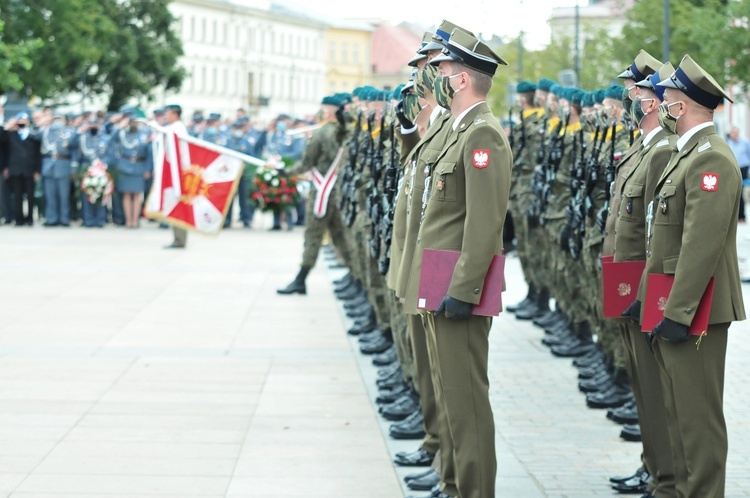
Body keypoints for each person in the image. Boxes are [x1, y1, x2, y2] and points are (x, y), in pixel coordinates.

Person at [405, 28, 510, 498]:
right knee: (451, 398)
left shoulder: (483, 133)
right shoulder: (459, 131)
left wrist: (464, 290)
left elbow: (485, 224)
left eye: (444, 73)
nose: (437, 80)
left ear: (463, 79)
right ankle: (453, 484)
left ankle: (473, 490)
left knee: (466, 402)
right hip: (438, 277)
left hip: (457, 286)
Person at [635, 54, 745, 497]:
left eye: (669, 100)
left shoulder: (711, 158)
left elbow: (700, 247)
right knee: (678, 417)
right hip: (674, 301)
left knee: (697, 423)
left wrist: (678, 312)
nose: (662, 106)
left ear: (682, 106)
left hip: (696, 308)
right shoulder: (688, 156)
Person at [276, 95, 351, 294]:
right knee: (342, 238)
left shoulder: (322, 133)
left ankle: (301, 278)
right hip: (341, 192)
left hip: (322, 194)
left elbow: (307, 163)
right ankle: (355, 279)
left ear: (328, 110)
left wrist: (287, 172)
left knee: (313, 236)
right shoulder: (349, 131)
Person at [107, 115, 153, 228]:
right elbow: (111, 141)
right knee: (126, 195)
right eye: (131, 123)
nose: (133, 125)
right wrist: (119, 127)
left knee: (137, 195)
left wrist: (148, 169)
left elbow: (149, 154)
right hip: (124, 166)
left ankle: (135, 221)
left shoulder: (144, 135)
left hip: (139, 167)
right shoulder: (122, 134)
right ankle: (128, 221)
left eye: (135, 123)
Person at [0, 113, 42, 226]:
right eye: (20, 120)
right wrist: (9, 125)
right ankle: (19, 219)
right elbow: (2, 141)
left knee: (30, 195)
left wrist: (37, 170)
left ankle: (30, 219)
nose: (22, 123)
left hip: (29, 169)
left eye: (24, 120)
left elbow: (38, 154)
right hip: (15, 169)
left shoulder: (33, 135)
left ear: (28, 121)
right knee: (17, 196)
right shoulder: (11, 134)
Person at [41, 115, 79, 227]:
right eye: (55, 119)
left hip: (63, 165)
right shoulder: (46, 132)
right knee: (50, 195)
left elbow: (74, 150)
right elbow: (33, 134)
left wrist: (73, 168)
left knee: (64, 195)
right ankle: (51, 218)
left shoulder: (71, 133)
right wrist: (43, 122)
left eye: (60, 120)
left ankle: (64, 219)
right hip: (49, 165)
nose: (57, 122)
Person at [163, 104, 190, 249]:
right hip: (173, 172)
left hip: (178, 174)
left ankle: (180, 239)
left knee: (178, 205)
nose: (165, 116)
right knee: (173, 204)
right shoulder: (173, 128)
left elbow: (181, 154)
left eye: (167, 113)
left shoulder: (178, 129)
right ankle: (177, 238)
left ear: (175, 113)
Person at [727, 126, 750, 221]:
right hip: (733, 168)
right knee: (733, 192)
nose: (733, 135)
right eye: (732, 133)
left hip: (743, 168)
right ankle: (734, 216)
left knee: (740, 192)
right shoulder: (728, 142)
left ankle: (742, 216)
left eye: (735, 133)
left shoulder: (745, 142)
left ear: (738, 133)